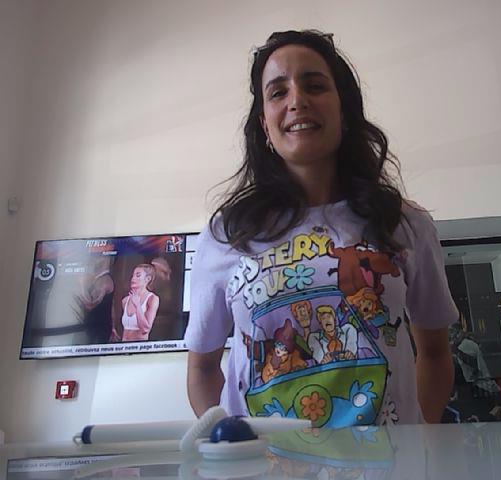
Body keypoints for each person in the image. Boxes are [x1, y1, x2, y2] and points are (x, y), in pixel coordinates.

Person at [185, 30, 458, 425]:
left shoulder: (405, 224)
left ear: (344, 111)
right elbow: (202, 368)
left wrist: (418, 444)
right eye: (278, 92)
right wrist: (224, 441)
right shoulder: (226, 234)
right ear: (264, 125)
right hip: (262, 458)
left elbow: (434, 353)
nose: (297, 101)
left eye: (314, 85)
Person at [116, 263, 160, 342]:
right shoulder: (125, 300)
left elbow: (145, 329)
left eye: (138, 275)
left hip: (139, 346)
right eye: (132, 275)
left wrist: (137, 306)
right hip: (124, 346)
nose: (133, 279)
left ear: (147, 279)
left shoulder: (152, 299)